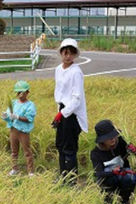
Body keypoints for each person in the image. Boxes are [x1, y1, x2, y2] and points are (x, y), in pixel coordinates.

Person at [52, 38, 87, 184]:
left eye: (71, 53)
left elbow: (76, 98)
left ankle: (71, 180)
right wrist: (59, 112)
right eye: (65, 52)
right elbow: (59, 91)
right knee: (60, 145)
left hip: (72, 113)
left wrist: (62, 113)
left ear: (74, 55)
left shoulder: (76, 72)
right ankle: (63, 176)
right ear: (61, 53)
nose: (68, 56)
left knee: (69, 148)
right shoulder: (58, 70)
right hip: (62, 109)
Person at [91, 120, 136, 204]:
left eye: (113, 136)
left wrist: (134, 150)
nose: (112, 139)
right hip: (108, 179)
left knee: (131, 178)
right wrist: (113, 172)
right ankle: (109, 199)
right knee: (107, 173)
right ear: (102, 140)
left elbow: (135, 153)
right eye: (108, 138)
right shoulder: (96, 153)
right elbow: (98, 173)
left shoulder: (120, 141)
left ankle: (125, 200)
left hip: (123, 174)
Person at [1, 80, 36, 176]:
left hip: (23, 131)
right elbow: (9, 116)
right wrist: (6, 116)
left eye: (22, 92)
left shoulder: (30, 105)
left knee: (27, 151)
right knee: (14, 151)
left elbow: (29, 118)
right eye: (18, 92)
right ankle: (14, 168)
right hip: (13, 130)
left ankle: (31, 171)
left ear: (27, 92)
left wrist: (17, 117)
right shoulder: (13, 103)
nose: (20, 94)